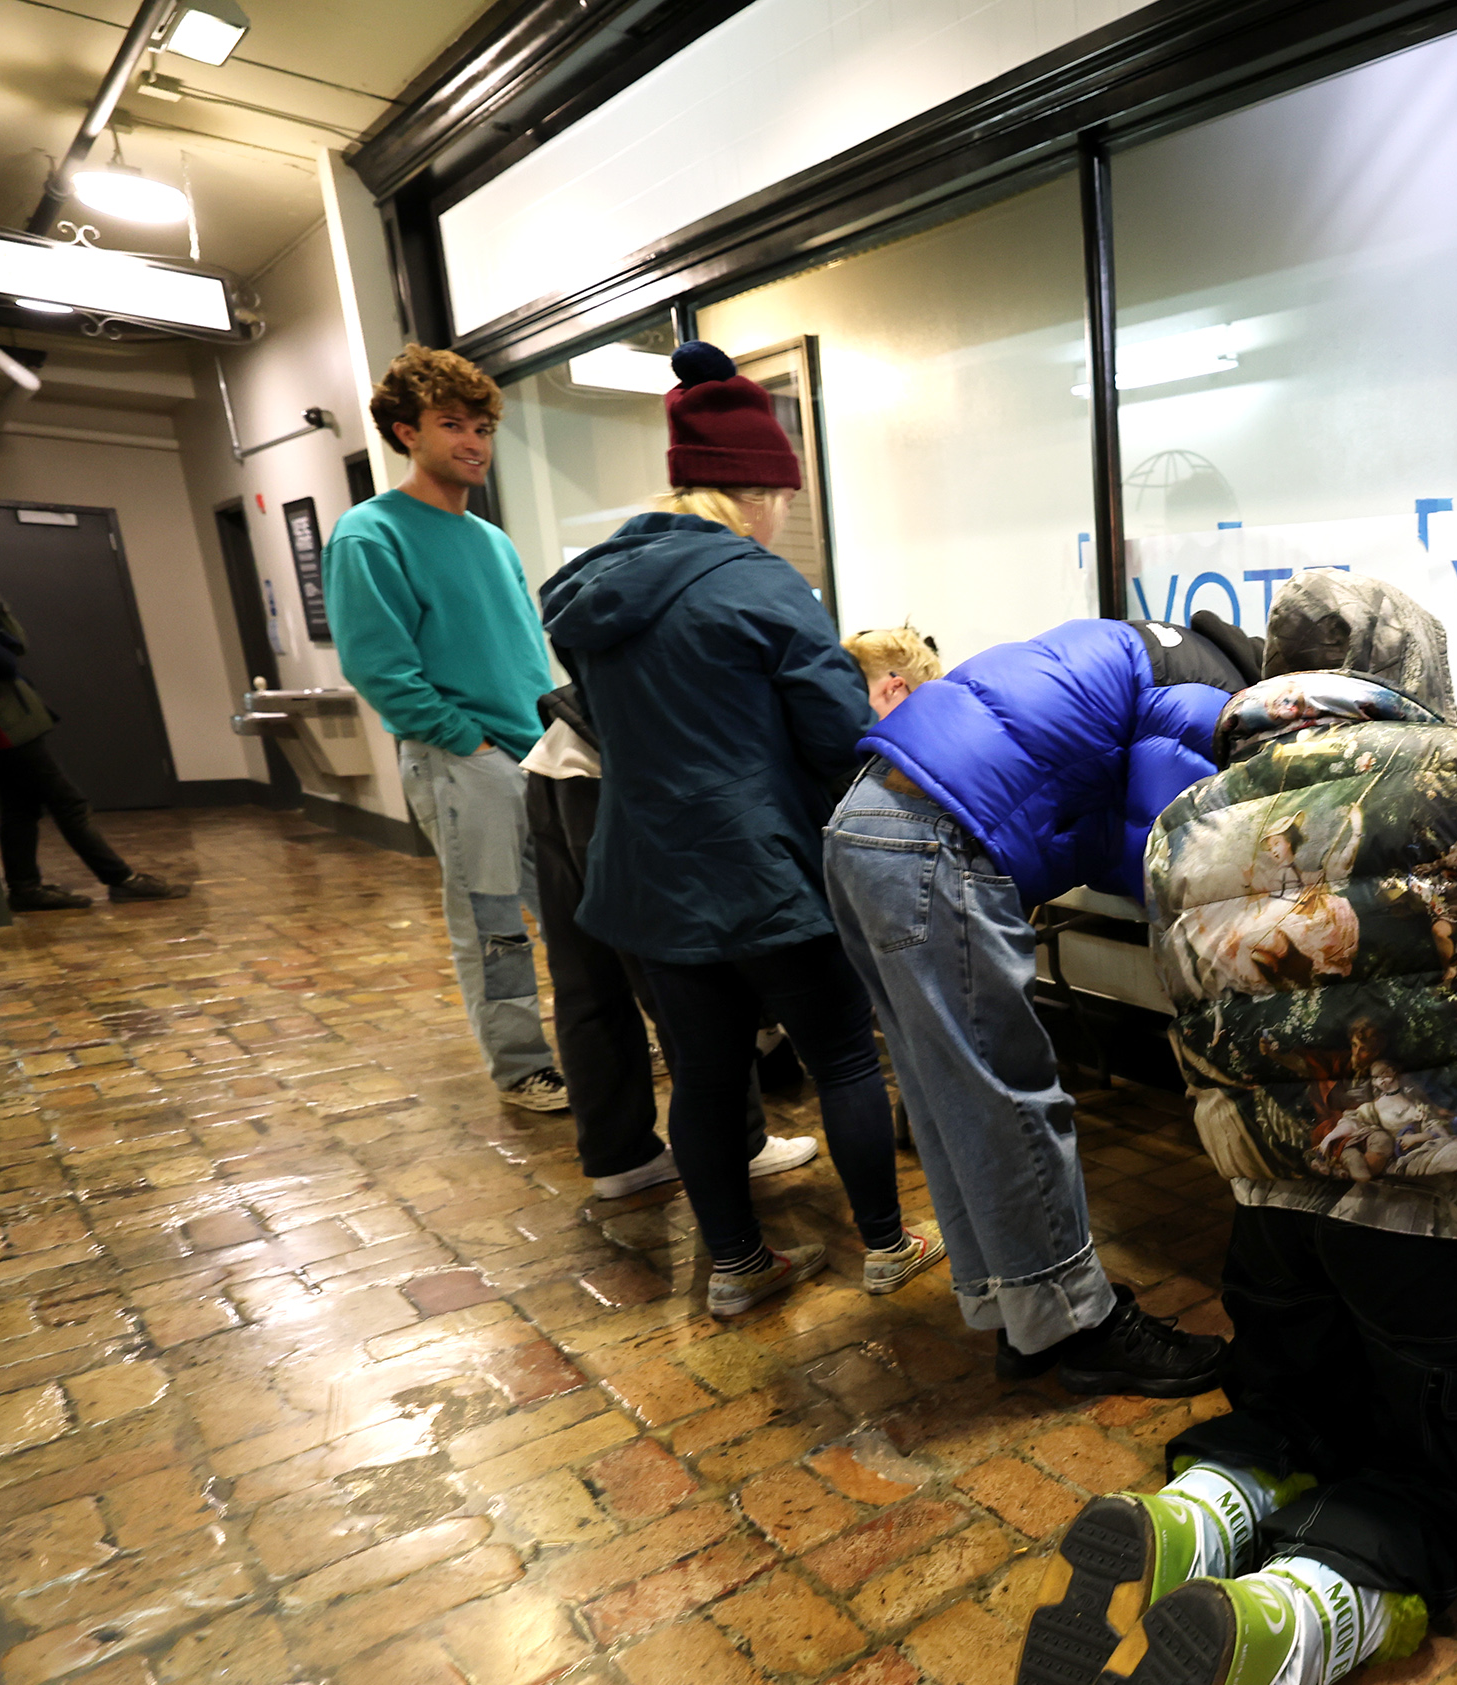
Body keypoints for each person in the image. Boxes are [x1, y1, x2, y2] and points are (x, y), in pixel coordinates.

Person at [1035, 573, 1457, 1685]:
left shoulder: (1184, 814)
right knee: (1450, 1465)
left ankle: (1197, 1515)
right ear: (1406, 661)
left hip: (1259, 1175)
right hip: (1424, 1190)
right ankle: (1294, 1616)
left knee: (1292, 1394)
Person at [537, 341, 926, 1319]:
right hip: (762, 871)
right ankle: (886, 1244)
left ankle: (738, 1265)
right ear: (758, 488)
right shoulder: (761, 585)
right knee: (841, 1052)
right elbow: (841, 740)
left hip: (645, 874)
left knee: (705, 1077)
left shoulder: (597, 589)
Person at [822, 616, 1239, 1395]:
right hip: (933, 841)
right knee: (1011, 1099)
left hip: (866, 827)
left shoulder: (1147, 643)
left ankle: (1025, 1316)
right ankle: (1084, 1328)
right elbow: (1167, 850)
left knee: (954, 1098)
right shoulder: (1209, 692)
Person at [323, 346, 568, 1113]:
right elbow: (380, 668)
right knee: (493, 923)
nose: (474, 443)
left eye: (483, 428)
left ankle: (604, 1037)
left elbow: (526, 649)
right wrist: (471, 744)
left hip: (537, 753)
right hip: (465, 761)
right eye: (452, 425)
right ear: (406, 433)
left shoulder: (491, 540)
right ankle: (521, 1063)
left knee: (571, 909)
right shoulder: (371, 535)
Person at [519, 692, 815, 1202]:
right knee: (687, 979)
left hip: (556, 764)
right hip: (628, 779)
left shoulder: (592, 611)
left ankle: (619, 1155)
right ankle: (740, 1145)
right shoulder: (711, 612)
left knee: (586, 980)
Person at [0, 537, 186, 910]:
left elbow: (13, 646)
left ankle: (24, 888)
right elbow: (8, 657)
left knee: (20, 807)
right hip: (3, 722)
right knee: (69, 803)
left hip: (0, 723)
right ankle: (120, 879)